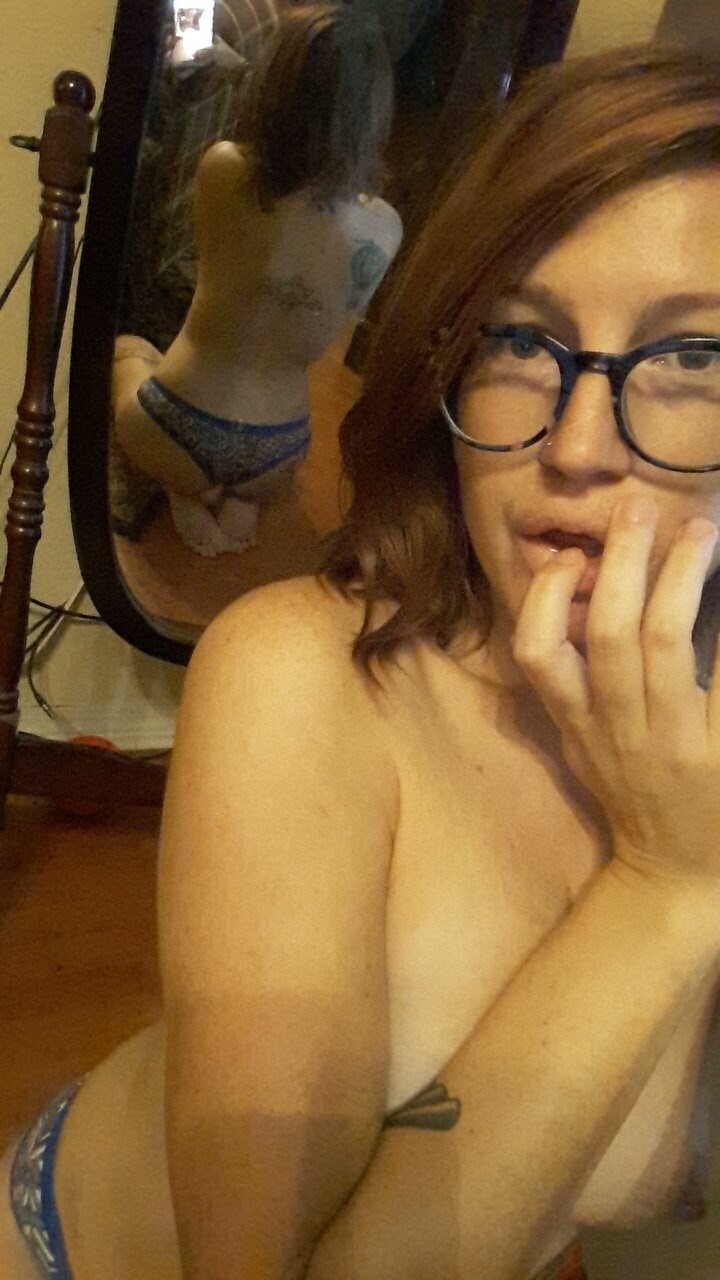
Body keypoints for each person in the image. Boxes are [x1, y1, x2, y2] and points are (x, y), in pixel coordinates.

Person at [3, 38, 720, 1280]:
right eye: (519, 339)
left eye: (693, 358)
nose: (576, 446)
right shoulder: (298, 681)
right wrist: (665, 885)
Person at [110, 3, 402, 555]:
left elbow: (215, 255)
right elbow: (331, 321)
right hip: (276, 453)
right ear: (375, 115)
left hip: (177, 424)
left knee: (128, 348)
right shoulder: (383, 229)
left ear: (273, 85)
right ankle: (241, 501)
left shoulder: (223, 169)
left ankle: (183, 487)